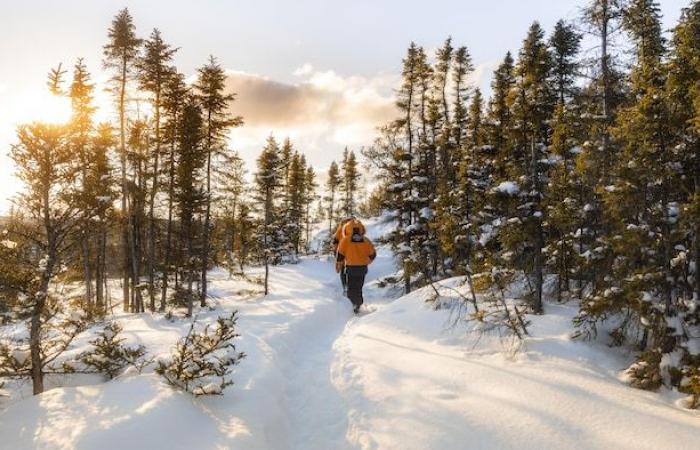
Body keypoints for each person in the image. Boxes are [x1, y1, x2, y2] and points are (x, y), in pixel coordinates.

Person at [336, 219, 376, 313]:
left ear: (347, 229)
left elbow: (340, 255)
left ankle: (353, 306)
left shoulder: (345, 240)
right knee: (359, 287)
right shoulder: (366, 240)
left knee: (351, 287)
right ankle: (358, 303)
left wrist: (338, 265)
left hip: (350, 268)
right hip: (362, 268)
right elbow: (373, 254)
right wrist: (367, 261)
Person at [332, 217, 353, 293]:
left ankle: (345, 287)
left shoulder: (340, 230)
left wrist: (335, 253)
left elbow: (335, 242)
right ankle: (350, 287)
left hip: (342, 254)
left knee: (343, 271)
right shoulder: (354, 230)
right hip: (351, 255)